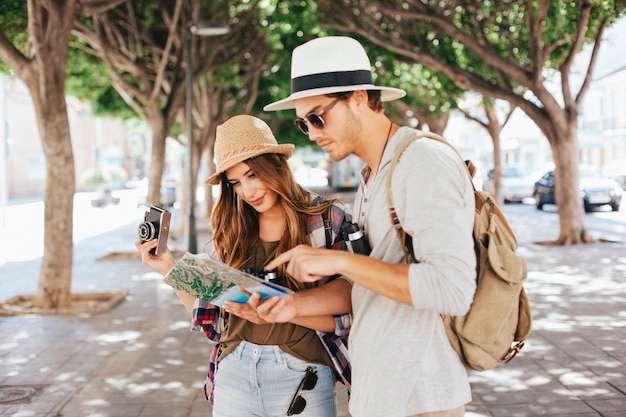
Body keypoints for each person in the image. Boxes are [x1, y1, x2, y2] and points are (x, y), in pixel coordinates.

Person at [263, 36, 477, 417]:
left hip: (419, 398)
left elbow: (452, 289)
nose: (311, 133)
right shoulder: (372, 174)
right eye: (303, 122)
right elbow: (371, 287)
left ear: (359, 99)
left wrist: (339, 262)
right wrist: (290, 305)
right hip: (381, 394)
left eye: (318, 116)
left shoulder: (422, 161)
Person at [136, 114, 352, 417]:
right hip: (234, 372)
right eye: (236, 182)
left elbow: (350, 315)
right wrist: (169, 268)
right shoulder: (234, 230)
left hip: (302, 376)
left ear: (276, 165)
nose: (247, 191)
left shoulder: (329, 219)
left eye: (252, 175)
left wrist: (280, 310)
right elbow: (216, 323)